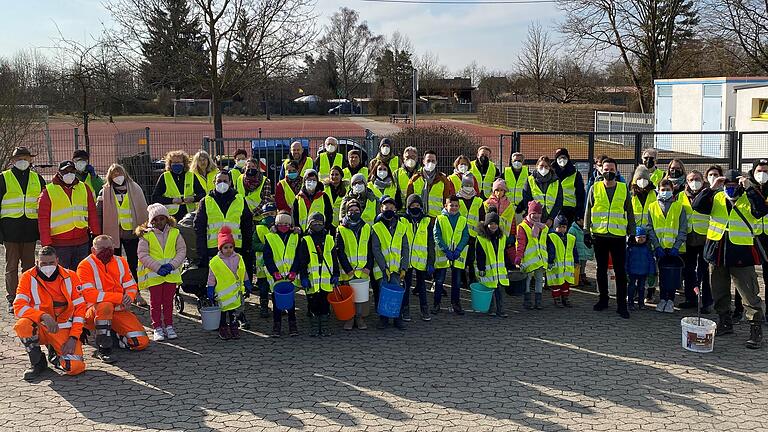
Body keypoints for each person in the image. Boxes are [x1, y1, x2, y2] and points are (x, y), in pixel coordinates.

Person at [692, 169, 768, 349]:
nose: (731, 188)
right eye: (728, 185)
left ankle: (755, 329)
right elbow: (697, 205)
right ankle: (724, 322)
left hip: (741, 253)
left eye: (735, 185)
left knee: (749, 293)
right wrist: (711, 188)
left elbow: (761, 210)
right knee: (719, 291)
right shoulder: (717, 197)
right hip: (717, 252)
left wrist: (749, 189)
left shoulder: (749, 198)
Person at [13, 246, 87, 380]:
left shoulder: (71, 276)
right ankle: (37, 363)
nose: (48, 266)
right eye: (43, 263)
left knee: (75, 367)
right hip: (40, 326)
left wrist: (74, 337)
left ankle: (56, 356)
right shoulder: (27, 277)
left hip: (63, 328)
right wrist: (42, 316)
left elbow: (80, 309)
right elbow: (18, 306)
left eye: (51, 263)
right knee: (22, 326)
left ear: (57, 260)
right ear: (36, 262)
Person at [78, 235, 149, 363]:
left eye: (109, 247)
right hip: (93, 313)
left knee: (140, 342)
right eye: (101, 248)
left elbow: (131, 286)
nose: (106, 250)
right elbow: (89, 295)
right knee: (105, 305)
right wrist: (119, 298)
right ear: (93, 250)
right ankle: (103, 348)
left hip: (119, 310)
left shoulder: (121, 261)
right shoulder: (85, 266)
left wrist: (129, 297)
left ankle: (112, 335)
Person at [584, 157, 635, 319]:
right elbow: (588, 210)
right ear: (600, 170)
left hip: (618, 236)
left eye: (611, 169)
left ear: (616, 170)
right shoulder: (595, 187)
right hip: (600, 235)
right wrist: (586, 231)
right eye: (606, 169)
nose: (608, 172)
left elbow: (630, 212)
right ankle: (603, 299)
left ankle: (621, 304)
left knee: (620, 271)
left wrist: (632, 233)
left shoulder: (623, 188)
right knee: (601, 269)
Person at [97, 163, 149, 306]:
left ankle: (136, 293)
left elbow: (143, 208)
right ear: (110, 176)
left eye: (119, 173)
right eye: (114, 174)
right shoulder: (104, 192)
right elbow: (99, 213)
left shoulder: (135, 188)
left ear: (125, 174)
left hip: (132, 233)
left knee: (133, 265)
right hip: (112, 235)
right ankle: (118, 294)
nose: (117, 176)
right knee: (114, 266)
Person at [1, 147, 45, 313]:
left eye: (26, 158)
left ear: (30, 160)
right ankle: (12, 299)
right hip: (9, 231)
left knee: (29, 266)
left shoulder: (38, 178)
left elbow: (43, 205)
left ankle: (27, 296)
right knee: (11, 266)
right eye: (19, 158)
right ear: (13, 160)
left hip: (30, 231)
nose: (23, 161)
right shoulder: (3, 178)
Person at [136, 204, 186, 341]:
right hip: (154, 275)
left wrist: (172, 265)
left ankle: (169, 326)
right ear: (151, 221)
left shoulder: (175, 233)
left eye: (162, 219)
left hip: (170, 273)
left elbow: (181, 250)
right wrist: (157, 267)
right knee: (156, 303)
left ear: (167, 219)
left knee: (168, 302)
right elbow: (142, 254)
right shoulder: (146, 235)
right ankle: (157, 327)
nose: (159, 222)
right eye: (155, 220)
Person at [38, 161, 100, 270]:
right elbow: (43, 220)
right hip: (59, 244)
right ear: (59, 173)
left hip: (82, 241)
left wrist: (96, 234)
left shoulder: (84, 188)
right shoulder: (48, 191)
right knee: (63, 276)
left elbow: (92, 212)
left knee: (81, 274)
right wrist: (46, 244)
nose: (69, 173)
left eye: (72, 171)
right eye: (65, 171)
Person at [194, 171, 254, 282]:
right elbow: (199, 227)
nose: (222, 183)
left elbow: (247, 226)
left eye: (225, 181)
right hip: (213, 248)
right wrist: (201, 251)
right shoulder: (206, 201)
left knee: (235, 279)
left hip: (235, 248)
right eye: (219, 181)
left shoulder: (240, 200)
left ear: (230, 182)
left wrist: (247, 247)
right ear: (214, 182)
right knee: (216, 280)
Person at [646, 179, 688, 313]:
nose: (665, 192)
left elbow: (683, 229)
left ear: (673, 190)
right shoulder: (652, 206)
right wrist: (657, 246)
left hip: (675, 249)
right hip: (660, 249)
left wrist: (676, 246)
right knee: (662, 275)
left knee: (673, 276)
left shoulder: (679, 206)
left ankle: (670, 300)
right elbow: (650, 228)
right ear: (658, 190)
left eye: (668, 189)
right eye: (663, 189)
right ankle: (662, 298)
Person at [371, 196, 410, 328]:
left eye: (392, 208)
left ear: (396, 210)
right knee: (383, 294)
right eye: (386, 208)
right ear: (381, 209)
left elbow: (405, 248)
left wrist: (404, 267)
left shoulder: (402, 227)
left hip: (397, 269)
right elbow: (375, 249)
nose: (389, 210)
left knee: (396, 295)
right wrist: (384, 267)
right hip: (382, 270)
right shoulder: (376, 227)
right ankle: (383, 319)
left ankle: (397, 318)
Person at [298, 212, 339, 337]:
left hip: (326, 278)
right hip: (312, 278)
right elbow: (302, 261)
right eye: (314, 222)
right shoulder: (305, 240)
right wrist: (303, 277)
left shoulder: (329, 239)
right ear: (309, 224)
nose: (317, 225)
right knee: (313, 303)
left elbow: (334, 258)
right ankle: (315, 327)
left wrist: (336, 274)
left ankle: (325, 327)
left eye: (320, 223)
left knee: (325, 303)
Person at [677, 170, 712, 313]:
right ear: (686, 182)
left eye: (697, 179)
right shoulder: (680, 196)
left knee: (704, 272)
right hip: (688, 238)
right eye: (691, 179)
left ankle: (707, 302)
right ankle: (690, 298)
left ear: (703, 181)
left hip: (704, 238)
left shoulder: (709, 195)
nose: (694, 182)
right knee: (688, 270)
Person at [336, 199, 372, 330]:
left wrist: (368, 266)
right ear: (346, 212)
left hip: (363, 269)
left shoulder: (367, 227)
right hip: (348, 271)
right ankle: (349, 318)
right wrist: (348, 269)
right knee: (349, 297)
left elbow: (370, 249)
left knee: (361, 297)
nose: (354, 212)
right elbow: (339, 251)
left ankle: (360, 318)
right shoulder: (341, 229)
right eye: (351, 210)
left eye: (356, 210)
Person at [206, 227, 248, 340]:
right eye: (225, 247)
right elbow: (211, 277)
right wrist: (210, 288)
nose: (228, 250)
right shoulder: (215, 261)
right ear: (220, 248)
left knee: (234, 312)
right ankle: (223, 328)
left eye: (231, 247)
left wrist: (247, 282)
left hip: (235, 292)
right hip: (222, 293)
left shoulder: (238, 258)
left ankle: (234, 327)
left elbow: (243, 271)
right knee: (223, 313)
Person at [263, 211, 300, 337]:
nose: (283, 226)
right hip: (276, 277)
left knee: (291, 302)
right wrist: (274, 272)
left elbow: (298, 256)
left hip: (290, 276)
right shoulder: (270, 237)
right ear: (276, 224)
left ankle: (292, 324)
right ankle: (276, 325)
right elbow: (267, 257)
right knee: (276, 302)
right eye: (280, 224)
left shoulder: (295, 236)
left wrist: (294, 270)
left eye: (286, 224)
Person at [432, 195, 469, 315]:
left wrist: (458, 249)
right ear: (445, 206)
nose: (453, 207)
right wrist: (445, 250)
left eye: (456, 206)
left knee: (457, 282)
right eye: (451, 205)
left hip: (457, 256)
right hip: (444, 255)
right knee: (439, 281)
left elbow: (465, 236)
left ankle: (456, 304)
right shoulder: (440, 218)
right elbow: (436, 236)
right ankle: (436, 304)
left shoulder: (463, 219)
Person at [403, 194, 435, 322]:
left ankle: (424, 309)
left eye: (417, 205)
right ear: (408, 206)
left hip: (422, 260)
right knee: (406, 286)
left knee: (422, 287)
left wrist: (431, 262)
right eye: (412, 205)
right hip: (407, 260)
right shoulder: (402, 220)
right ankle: (405, 309)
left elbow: (431, 243)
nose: (415, 208)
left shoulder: (426, 221)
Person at [151, 150, 205, 222]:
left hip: (189, 215)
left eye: (179, 162)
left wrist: (193, 199)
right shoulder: (164, 176)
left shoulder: (191, 176)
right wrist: (172, 200)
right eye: (174, 163)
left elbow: (202, 194)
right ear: (170, 164)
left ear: (184, 163)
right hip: (171, 216)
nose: (176, 164)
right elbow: (155, 197)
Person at [475, 211, 510, 317]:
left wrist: (508, 265)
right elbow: (479, 255)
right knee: (489, 290)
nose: (493, 226)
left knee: (499, 291)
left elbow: (504, 253)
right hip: (488, 270)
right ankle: (491, 309)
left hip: (499, 271)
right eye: (491, 224)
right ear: (486, 224)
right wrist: (481, 268)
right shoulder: (481, 239)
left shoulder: (502, 238)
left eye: (495, 223)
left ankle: (500, 310)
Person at [515, 201, 547, 310]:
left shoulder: (543, 227)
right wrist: (518, 258)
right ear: (529, 213)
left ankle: (538, 301)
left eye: (539, 213)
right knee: (527, 279)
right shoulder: (523, 227)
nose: (537, 216)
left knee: (539, 279)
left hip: (540, 259)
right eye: (534, 213)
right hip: (528, 260)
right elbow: (520, 244)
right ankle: (527, 300)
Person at [407, 151, 452, 219]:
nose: (430, 163)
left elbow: (446, 201)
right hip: (418, 218)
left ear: (436, 162)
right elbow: (409, 200)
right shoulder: (414, 179)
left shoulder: (443, 180)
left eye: (433, 161)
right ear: (423, 161)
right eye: (428, 160)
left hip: (436, 219)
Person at [519, 156, 562, 227]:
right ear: (537, 166)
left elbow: (559, 201)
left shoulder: (556, 181)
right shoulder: (530, 180)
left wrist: (551, 218)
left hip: (550, 219)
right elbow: (527, 199)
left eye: (546, 166)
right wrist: (532, 216)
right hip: (534, 219)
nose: (543, 168)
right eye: (541, 165)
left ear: (549, 167)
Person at [546, 215, 578, 308]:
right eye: (559, 227)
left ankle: (565, 298)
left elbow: (574, 250)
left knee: (566, 284)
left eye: (564, 227)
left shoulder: (571, 238)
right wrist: (550, 261)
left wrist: (576, 260)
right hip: (556, 266)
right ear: (555, 227)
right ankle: (557, 299)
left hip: (567, 267)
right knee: (556, 284)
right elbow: (551, 250)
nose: (561, 229)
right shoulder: (552, 237)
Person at [252, 202, 277, 318]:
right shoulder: (259, 228)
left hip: (276, 264)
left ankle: (278, 306)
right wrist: (266, 248)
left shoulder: (279, 227)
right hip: (262, 265)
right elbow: (254, 244)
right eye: (266, 214)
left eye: (272, 213)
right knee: (263, 288)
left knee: (275, 287)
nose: (270, 216)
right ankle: (263, 307)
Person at [750, 159, 768, 310]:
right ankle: (740, 309)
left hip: (767, 237)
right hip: (750, 237)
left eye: (766, 171)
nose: (762, 174)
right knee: (746, 277)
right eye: (759, 171)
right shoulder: (747, 188)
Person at [552, 148, 586, 225]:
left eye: (564, 157)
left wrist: (579, 213)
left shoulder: (575, 173)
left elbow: (580, 194)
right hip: (553, 209)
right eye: (560, 158)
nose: (562, 160)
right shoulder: (551, 172)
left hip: (570, 210)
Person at [625, 227, 655, 310]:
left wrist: (652, 273)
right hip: (632, 272)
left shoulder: (648, 249)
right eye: (639, 237)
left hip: (643, 272)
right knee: (631, 288)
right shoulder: (630, 248)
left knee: (641, 288)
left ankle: (641, 303)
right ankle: (630, 303)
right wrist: (625, 272)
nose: (641, 239)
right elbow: (626, 261)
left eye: (643, 237)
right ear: (634, 238)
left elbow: (651, 261)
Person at [568, 216, 593, 288]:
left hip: (584, 250)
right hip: (578, 251)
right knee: (577, 265)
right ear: (579, 219)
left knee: (583, 265)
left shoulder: (587, 228)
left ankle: (582, 276)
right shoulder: (573, 229)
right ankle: (578, 277)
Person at [503, 152, 528, 219]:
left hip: (522, 208)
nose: (517, 162)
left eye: (519, 161)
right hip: (507, 207)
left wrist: (523, 204)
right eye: (515, 160)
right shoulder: (505, 173)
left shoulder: (528, 174)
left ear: (523, 162)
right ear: (511, 161)